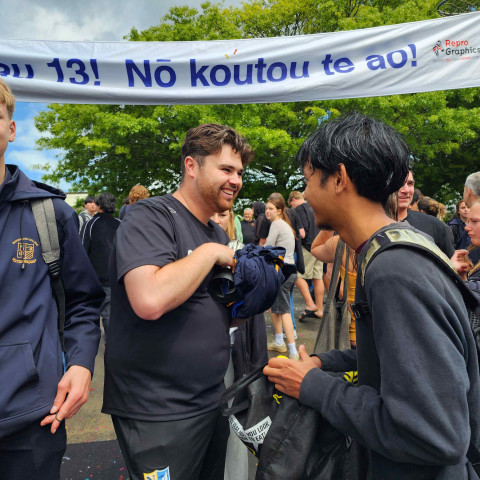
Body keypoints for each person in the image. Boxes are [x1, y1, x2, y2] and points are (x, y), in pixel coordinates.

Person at [264, 112, 480, 479]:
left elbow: (434, 434)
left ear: (339, 178)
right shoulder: (387, 249)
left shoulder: (393, 270)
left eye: (308, 180)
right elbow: (392, 351)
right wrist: (325, 362)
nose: (305, 198)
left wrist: (313, 387)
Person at [102, 123, 254, 480]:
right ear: (191, 166)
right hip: (158, 411)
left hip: (211, 400)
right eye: (226, 169)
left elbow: (220, 316)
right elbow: (149, 299)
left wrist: (251, 299)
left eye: (240, 173)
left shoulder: (215, 230)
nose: (236, 180)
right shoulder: (150, 216)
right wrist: (211, 253)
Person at [0, 79, 103, 479]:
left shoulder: (49, 214)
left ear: (11, 129)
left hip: (32, 421)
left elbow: (83, 301)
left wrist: (80, 364)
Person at [82, 193, 121, 345]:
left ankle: (89, 344)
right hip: (116, 275)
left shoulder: (90, 225)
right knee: (110, 313)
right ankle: (113, 344)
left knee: (90, 312)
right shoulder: (120, 224)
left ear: (98, 206)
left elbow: (82, 250)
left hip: (95, 276)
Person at [264, 193, 299, 360]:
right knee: (274, 307)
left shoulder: (277, 224)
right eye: (266, 208)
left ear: (279, 210)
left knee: (284, 310)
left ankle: (293, 351)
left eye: (270, 208)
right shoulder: (284, 224)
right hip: (290, 271)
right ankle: (279, 342)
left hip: (283, 272)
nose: (267, 211)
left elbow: (267, 248)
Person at [397, 169, 454, 257]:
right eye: (400, 184)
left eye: (410, 184)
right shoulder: (371, 226)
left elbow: (451, 264)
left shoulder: (433, 224)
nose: (406, 190)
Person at [288, 190, 324, 320]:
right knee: (317, 278)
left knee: (297, 276)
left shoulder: (299, 209)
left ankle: (309, 304)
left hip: (307, 247)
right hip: (319, 246)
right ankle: (319, 309)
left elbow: (302, 232)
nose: (292, 207)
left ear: (293, 200)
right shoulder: (313, 207)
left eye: (291, 205)